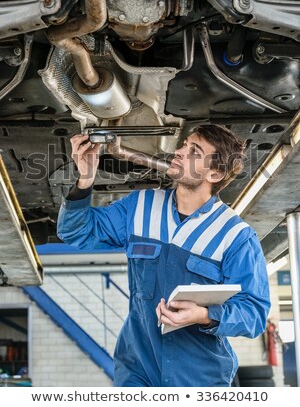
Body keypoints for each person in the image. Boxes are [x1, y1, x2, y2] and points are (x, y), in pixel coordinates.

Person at [57, 125, 270, 387]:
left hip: (199, 378)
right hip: (137, 370)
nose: (179, 152)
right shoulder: (140, 206)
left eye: (194, 151)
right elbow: (75, 231)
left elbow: (255, 314)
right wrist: (86, 179)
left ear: (215, 173)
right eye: (183, 145)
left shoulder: (235, 235)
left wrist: (204, 315)